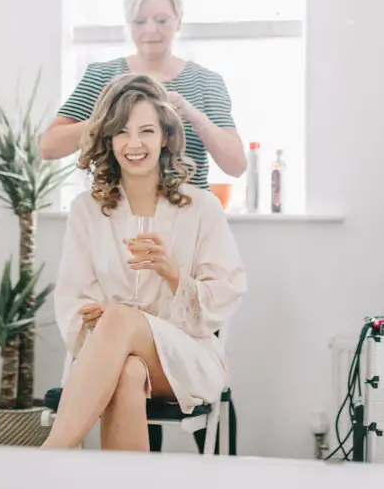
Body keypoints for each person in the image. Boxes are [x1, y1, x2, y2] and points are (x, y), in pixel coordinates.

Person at [42, 73, 247, 452]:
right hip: (112, 357)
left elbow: (224, 295)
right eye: (121, 132)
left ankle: (50, 457)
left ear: (165, 137)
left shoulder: (202, 208)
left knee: (119, 318)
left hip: (187, 355)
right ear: (108, 140)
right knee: (126, 371)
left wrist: (171, 273)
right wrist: (94, 318)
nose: (133, 144)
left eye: (147, 131)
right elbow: (72, 298)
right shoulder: (86, 211)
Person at [39, 0, 247, 189]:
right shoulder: (101, 76)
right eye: (140, 21)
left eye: (161, 20)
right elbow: (49, 147)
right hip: (116, 216)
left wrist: (193, 114)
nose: (150, 29)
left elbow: (236, 166)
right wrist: (108, 116)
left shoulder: (206, 82)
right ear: (129, 24)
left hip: (188, 216)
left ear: (179, 20)